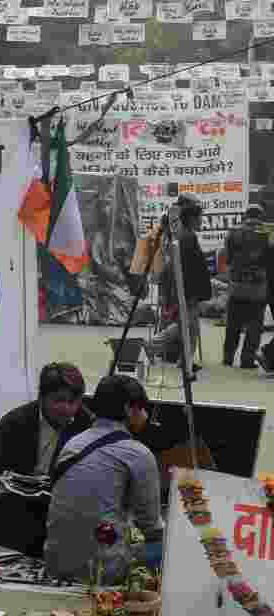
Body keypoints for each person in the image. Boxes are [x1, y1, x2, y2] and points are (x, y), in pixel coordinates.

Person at [0, 362, 94, 555]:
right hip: (17, 502)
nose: (66, 409)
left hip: (59, 506)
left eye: (72, 402)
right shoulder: (17, 421)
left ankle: (7, 536)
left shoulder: (86, 425)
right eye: (59, 400)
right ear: (42, 398)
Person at [45, 375, 164, 583]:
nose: (145, 415)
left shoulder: (73, 444)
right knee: (165, 547)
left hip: (55, 563)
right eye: (142, 408)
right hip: (103, 572)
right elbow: (151, 527)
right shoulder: (138, 454)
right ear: (129, 409)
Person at [152, 197, 212, 375]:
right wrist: (191, 293)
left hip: (184, 290)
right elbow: (188, 270)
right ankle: (153, 345)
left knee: (189, 326)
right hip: (187, 291)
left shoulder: (182, 236)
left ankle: (185, 361)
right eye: (199, 218)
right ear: (192, 219)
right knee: (185, 326)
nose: (201, 221)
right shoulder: (188, 237)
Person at [224, 204, 269, 369]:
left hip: (236, 286)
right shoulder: (267, 233)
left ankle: (228, 357)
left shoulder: (233, 232)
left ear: (246, 215)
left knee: (233, 324)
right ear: (260, 216)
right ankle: (247, 360)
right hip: (258, 288)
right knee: (254, 326)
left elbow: (228, 258)